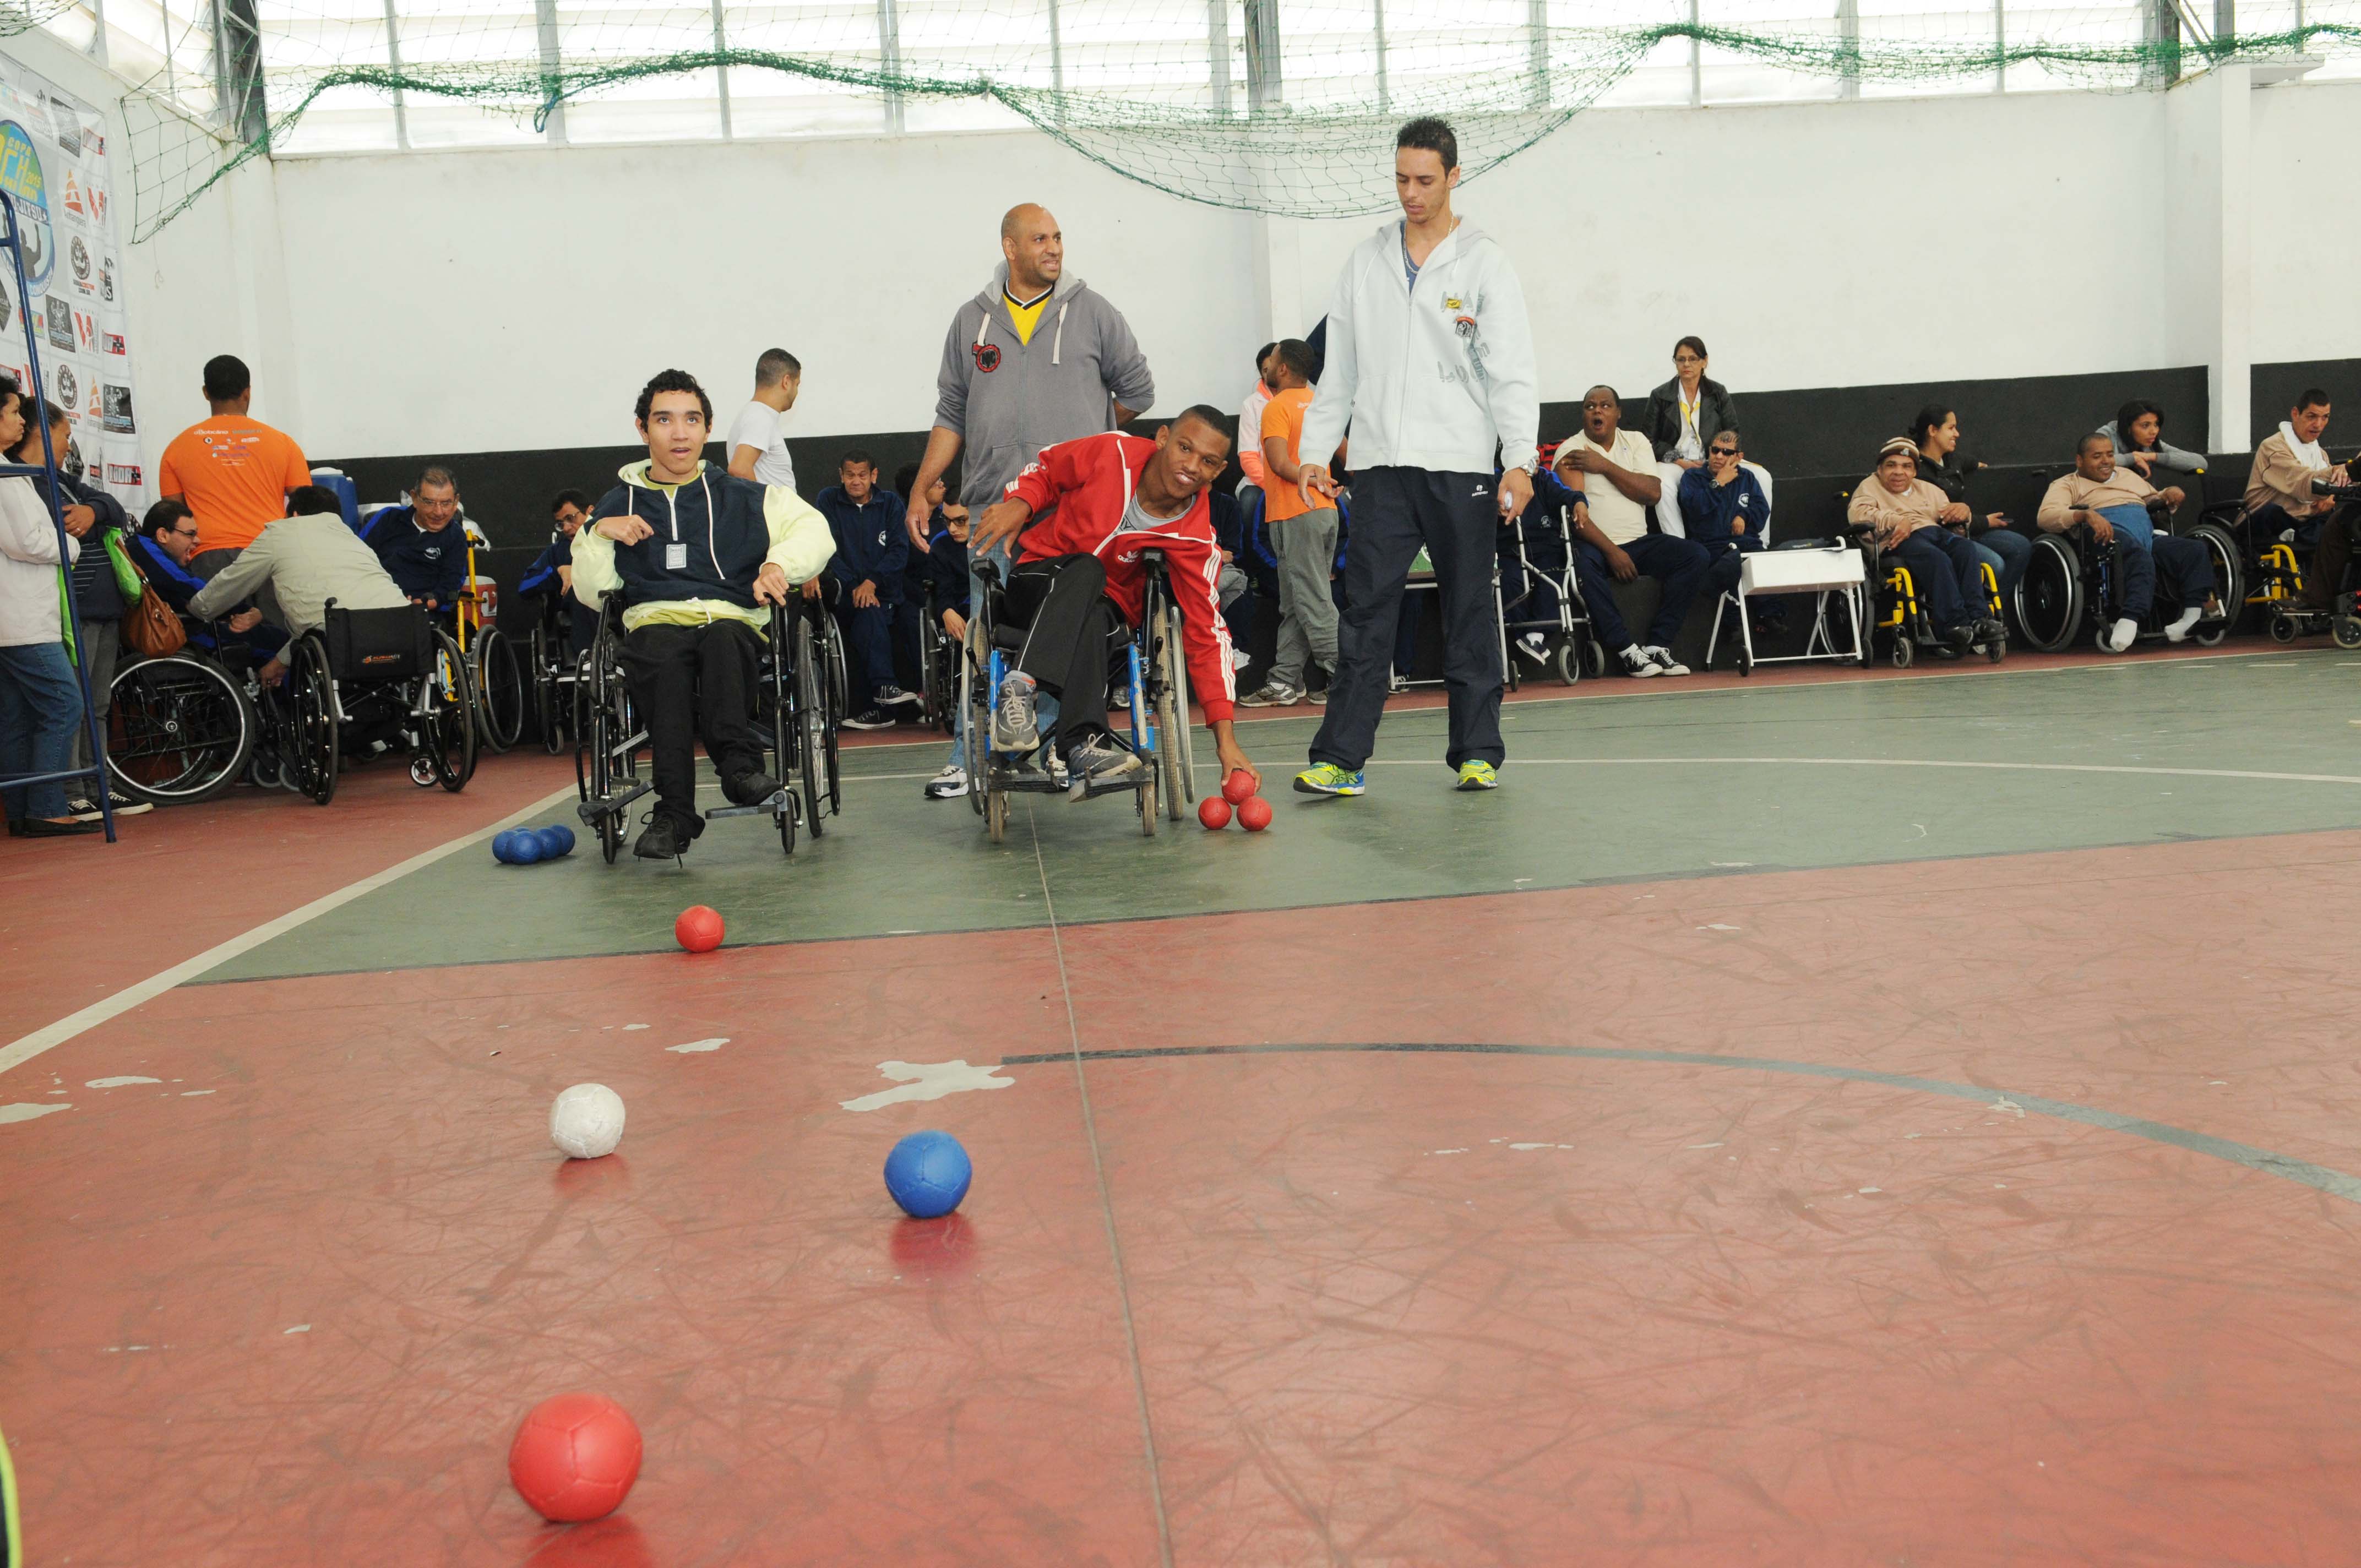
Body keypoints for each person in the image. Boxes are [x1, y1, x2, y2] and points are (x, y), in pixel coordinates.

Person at [1291, 116, 1539, 797]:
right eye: (1401, 179)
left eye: (1425, 180)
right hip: (1377, 467)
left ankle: (1477, 751)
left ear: (1454, 177)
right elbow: (1337, 369)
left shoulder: (1484, 261)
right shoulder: (1365, 260)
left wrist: (1519, 459)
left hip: (1460, 463)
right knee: (1366, 611)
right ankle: (1341, 758)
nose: (1410, 192)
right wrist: (1317, 451)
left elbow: (1512, 370)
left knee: (1466, 607)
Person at [905, 202, 1154, 796]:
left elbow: (1138, 392)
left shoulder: (1094, 313)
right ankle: (973, 755)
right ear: (1010, 248)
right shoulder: (972, 321)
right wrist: (922, 485)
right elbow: (951, 412)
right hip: (994, 508)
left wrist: (1086, 444)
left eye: (1059, 237)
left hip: (1070, 509)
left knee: (1066, 625)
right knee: (989, 639)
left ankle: (1032, 746)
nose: (1054, 248)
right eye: (1040, 238)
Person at [571, 368, 836, 861]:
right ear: (642, 428)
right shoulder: (616, 504)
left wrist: (779, 563)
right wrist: (597, 533)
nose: (679, 433)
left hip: (730, 619)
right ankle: (675, 813)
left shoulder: (741, 494)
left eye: (692, 420)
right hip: (654, 622)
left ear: (707, 430)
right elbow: (593, 591)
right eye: (664, 420)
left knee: (723, 639)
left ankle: (739, 770)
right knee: (662, 657)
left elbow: (814, 528)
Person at [971, 410, 1255, 793]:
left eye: (1207, 461)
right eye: (1185, 448)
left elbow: (1207, 632)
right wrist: (1020, 504)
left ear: (1218, 471)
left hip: (1099, 618)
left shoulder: (1195, 540)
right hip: (1038, 585)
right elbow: (1048, 469)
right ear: (1162, 438)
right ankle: (1019, 690)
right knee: (1088, 569)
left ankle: (1081, 744)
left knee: (1100, 614)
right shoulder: (1113, 452)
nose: (1191, 466)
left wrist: (1227, 740)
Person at [9, 402, 142, 820]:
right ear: (40, 432)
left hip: (102, 606)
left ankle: (96, 784)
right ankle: (68, 792)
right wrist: (78, 533)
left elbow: (111, 508)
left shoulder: (59, 479)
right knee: (70, 704)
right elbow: (40, 538)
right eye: (65, 435)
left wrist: (92, 511)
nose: (70, 446)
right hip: (66, 610)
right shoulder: (17, 479)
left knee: (96, 703)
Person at [0, 384, 96, 836]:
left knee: (19, 716)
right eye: (15, 412)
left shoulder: (9, 470)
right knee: (65, 704)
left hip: (20, 613)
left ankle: (23, 808)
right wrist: (71, 546)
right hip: (20, 618)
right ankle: (45, 804)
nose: (21, 422)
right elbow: (26, 542)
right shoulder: (3, 475)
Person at [1558, 387, 1706, 677]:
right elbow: (1577, 517)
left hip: (1638, 541)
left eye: (1605, 406)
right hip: (1596, 545)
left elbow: (1652, 493)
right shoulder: (1571, 450)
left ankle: (1657, 646)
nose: (1597, 411)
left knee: (1695, 556)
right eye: (1590, 407)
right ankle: (1627, 650)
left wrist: (1604, 466)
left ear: (1618, 412)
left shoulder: (1636, 441)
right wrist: (1613, 552)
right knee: (1583, 566)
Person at [2038, 432, 2220, 650]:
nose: (2106, 461)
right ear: (2080, 461)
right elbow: (2046, 517)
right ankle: (2130, 619)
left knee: (2194, 550)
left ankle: (2191, 617)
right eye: (2097, 456)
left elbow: (2153, 498)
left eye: (2109, 454)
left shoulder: (2126, 475)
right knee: (2137, 554)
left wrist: (2169, 494)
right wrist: (2085, 515)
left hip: (2145, 534)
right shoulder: (2067, 484)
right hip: (2107, 534)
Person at [187, 481, 411, 641]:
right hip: (402, 625)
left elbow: (233, 580)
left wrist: (198, 609)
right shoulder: (353, 539)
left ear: (294, 515)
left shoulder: (281, 533)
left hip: (341, 637)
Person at [1240, 339, 1337, 708]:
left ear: (1282, 369)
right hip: (1325, 513)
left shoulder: (1275, 406)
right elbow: (1346, 452)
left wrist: (1311, 480)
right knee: (1297, 603)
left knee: (1312, 601)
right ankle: (1283, 680)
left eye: (1272, 361)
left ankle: (1348, 676)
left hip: (1296, 514)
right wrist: (1324, 480)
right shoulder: (1320, 404)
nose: (1267, 367)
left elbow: (1279, 464)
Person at [158, 355, 312, 579]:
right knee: (268, 616)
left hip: (208, 559)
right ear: (247, 392)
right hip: (270, 555)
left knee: (221, 615)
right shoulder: (284, 444)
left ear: (206, 392)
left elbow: (172, 515)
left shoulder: (176, 448)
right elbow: (306, 507)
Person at [1847, 437, 2007, 650]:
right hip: (1899, 540)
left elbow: (1951, 518)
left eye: (1906, 467)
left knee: (1966, 548)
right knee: (1936, 557)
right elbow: (1859, 514)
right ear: (1880, 469)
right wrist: (1897, 520)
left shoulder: (1928, 489)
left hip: (1935, 533)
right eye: (1891, 466)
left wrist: (1963, 513)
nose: (1898, 472)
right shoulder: (1869, 487)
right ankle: (1954, 623)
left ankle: (1979, 619)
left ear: (1914, 472)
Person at [815, 449, 917, 729]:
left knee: (901, 616)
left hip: (885, 592)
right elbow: (828, 549)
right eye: (850, 475)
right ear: (841, 476)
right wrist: (855, 586)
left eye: (862, 475)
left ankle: (908, 700)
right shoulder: (827, 500)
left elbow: (898, 551)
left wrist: (872, 582)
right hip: (846, 595)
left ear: (874, 476)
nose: (856, 481)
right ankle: (885, 688)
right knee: (867, 609)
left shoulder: (891, 503)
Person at [132, 498, 287, 678]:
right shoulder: (144, 549)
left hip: (187, 623)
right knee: (282, 647)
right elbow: (197, 590)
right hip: (185, 632)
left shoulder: (146, 548)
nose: (197, 540)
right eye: (190, 534)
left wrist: (245, 612)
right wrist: (245, 610)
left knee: (270, 634)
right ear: (163, 535)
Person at [1912, 405, 2030, 617]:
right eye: (1951, 428)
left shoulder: (1953, 458)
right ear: (1932, 431)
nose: (1957, 434)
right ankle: (1974, 613)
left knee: (2020, 546)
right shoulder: (1916, 470)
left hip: (1968, 530)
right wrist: (1984, 522)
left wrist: (1979, 465)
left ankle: (1993, 611)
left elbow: (1969, 462)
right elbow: (1943, 517)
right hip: (1943, 535)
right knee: (1995, 564)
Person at [2245, 390, 2350, 612]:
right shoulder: (2272, 447)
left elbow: (2327, 492)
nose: (2318, 424)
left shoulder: (2319, 453)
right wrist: (2344, 472)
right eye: (2312, 416)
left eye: (2325, 417)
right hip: (2265, 521)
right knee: (2275, 512)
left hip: (2306, 520)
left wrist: (2329, 500)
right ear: (2295, 413)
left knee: (2343, 525)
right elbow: (2300, 480)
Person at [1677, 428, 1771, 610]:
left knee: (1766, 564)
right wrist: (1718, 483)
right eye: (1715, 450)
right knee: (1731, 565)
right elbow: (1695, 509)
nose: (1719, 456)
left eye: (1727, 452)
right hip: (1712, 545)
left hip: (1747, 543)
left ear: (1738, 456)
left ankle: (1770, 616)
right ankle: (1733, 621)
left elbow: (1761, 509)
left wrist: (1744, 516)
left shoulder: (1747, 478)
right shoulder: (1693, 477)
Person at [359, 466, 469, 613]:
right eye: (429, 502)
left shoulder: (456, 537)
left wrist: (431, 601)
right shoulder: (388, 518)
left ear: (456, 502)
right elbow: (357, 556)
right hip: (373, 603)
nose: (439, 512)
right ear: (415, 498)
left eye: (446, 503)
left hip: (420, 613)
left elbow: (451, 584)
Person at [518, 488, 600, 656]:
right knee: (581, 590)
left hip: (614, 603)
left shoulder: (612, 539)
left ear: (590, 511)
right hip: (579, 605)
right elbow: (525, 587)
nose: (567, 528)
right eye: (561, 523)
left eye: (570, 519)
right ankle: (588, 659)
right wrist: (559, 571)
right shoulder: (558, 551)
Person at [1642, 336, 1739, 468]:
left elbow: (1732, 433)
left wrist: (1718, 458)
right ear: (1675, 363)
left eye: (1693, 359)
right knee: (1663, 483)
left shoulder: (1718, 392)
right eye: (1681, 359)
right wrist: (1679, 461)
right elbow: (1649, 441)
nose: (1686, 364)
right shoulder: (1660, 395)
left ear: (1704, 361)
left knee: (1762, 476)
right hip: (1674, 463)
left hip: (1713, 461)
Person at [725, 348, 802, 492]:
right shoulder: (760, 416)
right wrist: (763, 508)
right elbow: (739, 469)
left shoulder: (755, 414)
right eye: (797, 384)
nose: (797, 392)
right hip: (773, 514)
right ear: (786, 382)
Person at [2098, 399, 2206, 481]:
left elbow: (2200, 462)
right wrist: (2133, 458)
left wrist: (2152, 456)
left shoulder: (2149, 445)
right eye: (2145, 426)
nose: (2154, 431)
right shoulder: (2104, 436)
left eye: (2156, 425)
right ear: (2128, 427)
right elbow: (2093, 464)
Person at [1236, 342, 1279, 491]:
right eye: (1267, 371)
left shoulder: (1306, 401)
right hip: (1259, 481)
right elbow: (1248, 457)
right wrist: (1271, 485)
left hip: (1299, 478)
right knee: (1250, 503)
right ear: (1262, 375)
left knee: (1342, 503)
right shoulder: (1251, 405)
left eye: (1277, 369)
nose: (1273, 375)